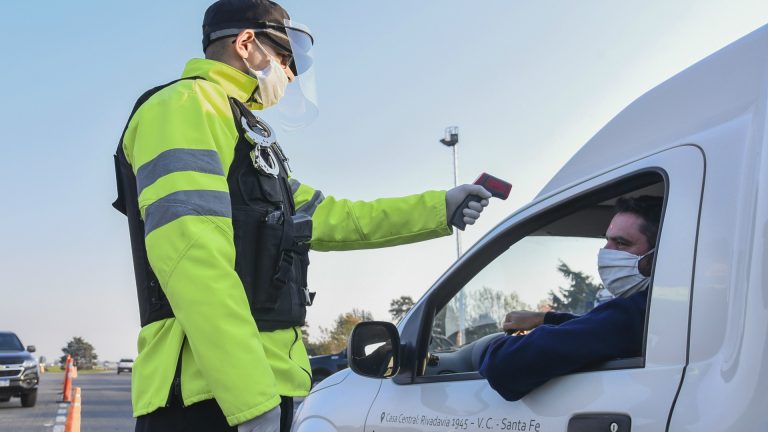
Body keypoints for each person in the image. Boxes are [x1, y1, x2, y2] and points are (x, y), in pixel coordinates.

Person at [112, 1, 494, 431]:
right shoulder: (187, 106)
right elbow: (189, 257)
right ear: (245, 43)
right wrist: (250, 400)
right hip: (209, 396)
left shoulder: (245, 133)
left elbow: (336, 217)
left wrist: (439, 207)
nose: (290, 75)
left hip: (263, 385)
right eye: (285, 59)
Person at [479, 195, 662, 401]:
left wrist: (483, 350)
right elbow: (595, 329)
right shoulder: (655, 311)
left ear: (658, 256)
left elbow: (503, 366)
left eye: (621, 243)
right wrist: (545, 319)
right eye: (606, 240)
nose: (605, 252)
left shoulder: (632, 315)